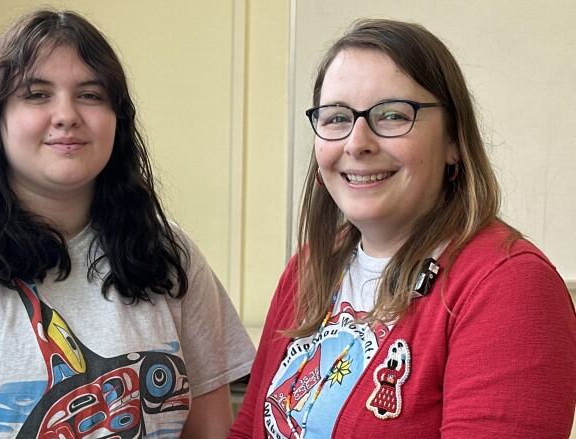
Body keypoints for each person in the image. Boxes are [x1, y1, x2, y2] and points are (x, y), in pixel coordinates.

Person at [0, 9, 255, 438]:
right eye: (37, 94)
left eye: (91, 95)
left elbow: (211, 431)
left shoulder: (169, 255)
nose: (66, 114)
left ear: (118, 121)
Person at [229, 19, 576, 438]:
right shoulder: (311, 266)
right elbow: (249, 430)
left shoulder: (509, 285)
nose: (357, 143)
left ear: (453, 140)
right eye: (337, 117)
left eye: (392, 115)